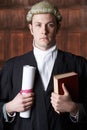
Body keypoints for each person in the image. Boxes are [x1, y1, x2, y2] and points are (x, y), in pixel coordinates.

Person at [0, 1, 87, 130]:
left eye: (50, 25)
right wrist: (9, 108)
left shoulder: (79, 64)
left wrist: (74, 108)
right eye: (38, 25)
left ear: (58, 28)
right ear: (31, 29)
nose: (44, 31)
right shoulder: (11, 67)